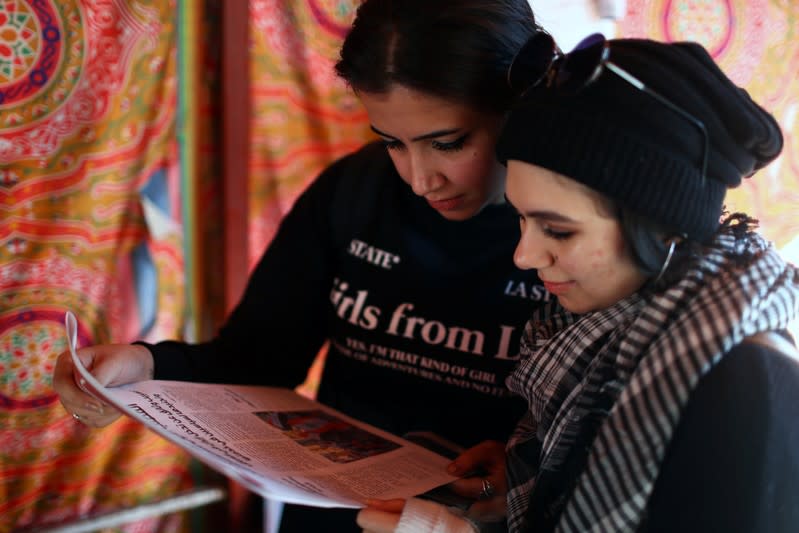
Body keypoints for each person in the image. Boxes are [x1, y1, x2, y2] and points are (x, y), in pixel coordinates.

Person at [53, 1, 557, 531]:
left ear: (517, 105)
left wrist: (525, 474)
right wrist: (146, 366)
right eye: (391, 143)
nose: (420, 179)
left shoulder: (576, 232)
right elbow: (257, 358)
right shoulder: (354, 192)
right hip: (333, 515)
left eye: (448, 144)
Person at [358, 33, 799, 532]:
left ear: (664, 227)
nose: (524, 256)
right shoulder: (596, 344)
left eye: (559, 230)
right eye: (521, 220)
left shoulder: (750, 383)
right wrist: (521, 491)